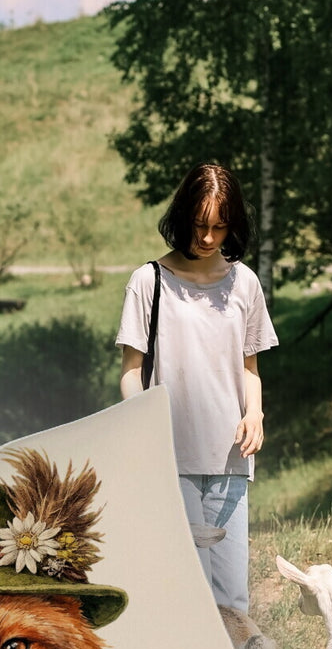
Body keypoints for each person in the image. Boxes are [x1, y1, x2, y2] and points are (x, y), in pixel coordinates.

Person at [116, 163, 277, 613]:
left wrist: (255, 415)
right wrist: (149, 423)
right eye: (200, 225)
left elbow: (250, 368)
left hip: (231, 459)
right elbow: (131, 373)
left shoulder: (244, 282)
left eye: (219, 228)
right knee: (190, 596)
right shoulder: (148, 282)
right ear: (183, 216)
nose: (207, 238)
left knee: (233, 601)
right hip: (172, 460)